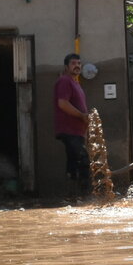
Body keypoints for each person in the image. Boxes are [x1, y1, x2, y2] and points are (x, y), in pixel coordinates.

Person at [54, 53, 90, 195]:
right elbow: (62, 103)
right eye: (74, 63)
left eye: (79, 63)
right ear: (66, 67)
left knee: (74, 163)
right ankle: (84, 198)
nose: (77, 66)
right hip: (69, 130)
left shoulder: (75, 83)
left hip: (77, 131)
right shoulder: (65, 81)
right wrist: (82, 115)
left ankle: (73, 197)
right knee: (83, 161)